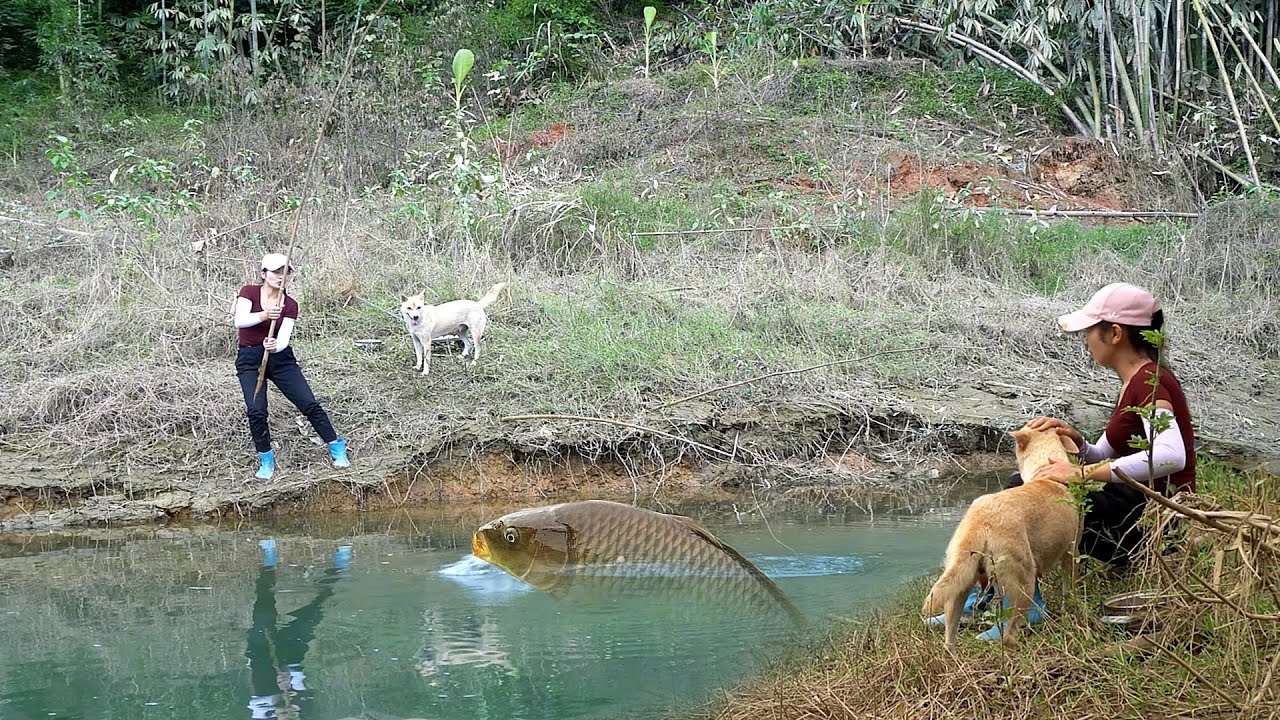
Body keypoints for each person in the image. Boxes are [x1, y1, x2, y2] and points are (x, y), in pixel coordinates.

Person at [929, 282, 1196, 640]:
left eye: (1090, 331)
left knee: (1017, 492)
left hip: (1154, 523)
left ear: (1114, 333)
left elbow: (1170, 456)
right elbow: (1104, 452)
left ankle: (1023, 604)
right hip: (1137, 509)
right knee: (1027, 494)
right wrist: (1074, 440)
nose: (1086, 340)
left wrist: (1080, 472)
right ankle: (997, 590)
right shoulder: (1137, 381)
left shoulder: (1149, 383)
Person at [235, 253, 351, 480]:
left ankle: (337, 448)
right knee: (256, 411)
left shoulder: (290, 305)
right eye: (276, 272)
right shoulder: (248, 292)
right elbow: (240, 320)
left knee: (308, 403)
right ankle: (266, 460)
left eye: (286, 272)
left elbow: (284, 339)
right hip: (250, 360)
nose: (281, 277)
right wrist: (265, 315)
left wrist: (275, 345)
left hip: (280, 360)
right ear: (263, 274)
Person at [246, 539, 352, 719]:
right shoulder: (304, 712)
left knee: (264, 604)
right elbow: (304, 689)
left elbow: (255, 703)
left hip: (261, 653)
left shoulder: (263, 715)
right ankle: (340, 562)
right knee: (316, 609)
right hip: (291, 654)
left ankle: (269, 557)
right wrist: (290, 680)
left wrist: (275, 702)